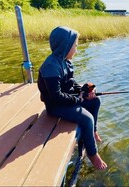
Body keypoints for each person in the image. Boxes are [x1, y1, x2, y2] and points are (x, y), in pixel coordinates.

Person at [37, 26, 107, 170]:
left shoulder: (66, 61)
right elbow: (56, 96)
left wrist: (84, 89)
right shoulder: (51, 66)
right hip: (55, 106)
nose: (76, 49)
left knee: (95, 101)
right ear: (65, 46)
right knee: (87, 118)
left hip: (67, 99)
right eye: (75, 46)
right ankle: (92, 154)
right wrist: (78, 99)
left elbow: (71, 83)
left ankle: (92, 132)